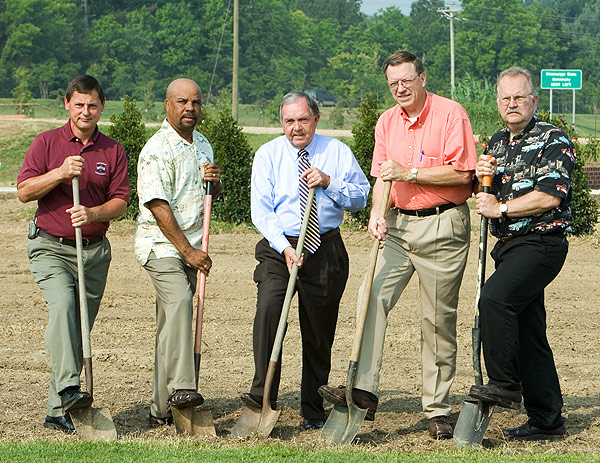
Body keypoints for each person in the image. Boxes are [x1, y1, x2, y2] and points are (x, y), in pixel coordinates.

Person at [319, 51, 477, 439]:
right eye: (393, 84)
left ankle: (437, 410)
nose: (400, 89)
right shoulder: (387, 121)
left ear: (422, 78)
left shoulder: (451, 114)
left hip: (442, 225)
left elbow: (463, 173)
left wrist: (413, 173)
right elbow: (382, 179)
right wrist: (376, 213)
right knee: (370, 296)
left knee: (436, 320)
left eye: (406, 80)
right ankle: (364, 392)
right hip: (397, 227)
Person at [242, 90, 370, 430]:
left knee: (318, 331)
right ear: (281, 122)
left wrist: (329, 182)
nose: (296, 127)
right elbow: (262, 210)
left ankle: (313, 408)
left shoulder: (337, 152)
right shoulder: (267, 155)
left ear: (315, 119)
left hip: (325, 248)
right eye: (289, 121)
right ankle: (263, 395)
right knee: (269, 312)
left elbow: (361, 196)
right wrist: (283, 247)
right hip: (279, 247)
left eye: (302, 120)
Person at [17, 75, 130, 433]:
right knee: (64, 307)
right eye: (79, 104)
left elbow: (121, 202)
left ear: (101, 108)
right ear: (67, 104)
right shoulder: (46, 143)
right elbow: (24, 191)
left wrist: (93, 213)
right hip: (50, 247)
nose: (86, 111)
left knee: (77, 331)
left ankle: (56, 411)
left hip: (94, 253)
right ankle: (69, 389)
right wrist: (59, 172)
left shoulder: (112, 150)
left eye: (92, 105)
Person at [468, 67, 574, 441]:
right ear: (498, 103)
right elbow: (485, 194)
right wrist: (479, 175)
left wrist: (501, 209)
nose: (512, 104)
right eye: (505, 98)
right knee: (529, 333)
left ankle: (505, 383)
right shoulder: (496, 142)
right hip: (509, 248)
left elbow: (550, 195)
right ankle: (547, 420)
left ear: (534, 100)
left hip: (541, 243)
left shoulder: (553, 139)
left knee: (495, 300)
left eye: (519, 97)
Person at [134, 78, 222, 427]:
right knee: (181, 302)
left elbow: (209, 199)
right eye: (183, 101)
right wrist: (188, 251)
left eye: (196, 102)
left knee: (169, 325)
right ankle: (183, 387)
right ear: (167, 105)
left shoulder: (203, 145)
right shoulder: (156, 149)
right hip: (161, 245)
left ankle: (159, 410)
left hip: (192, 244)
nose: (190, 108)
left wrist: (216, 184)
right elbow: (157, 206)